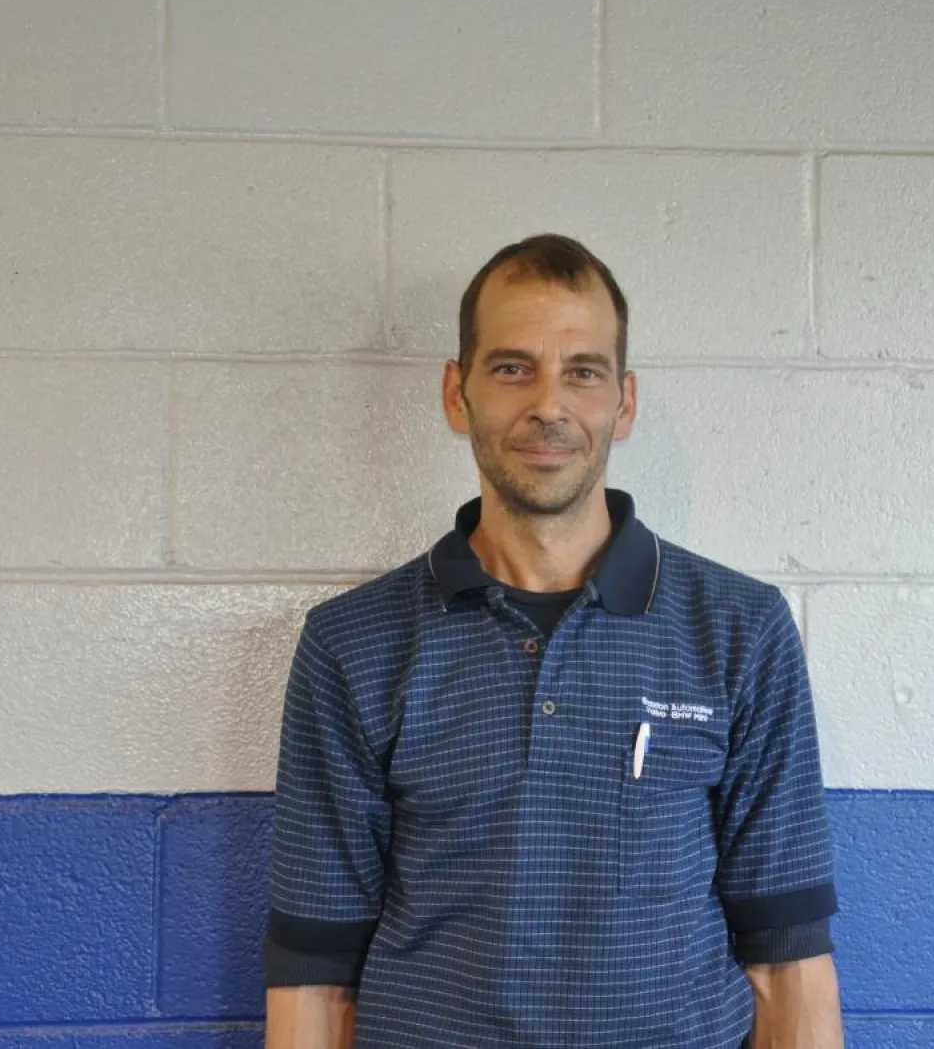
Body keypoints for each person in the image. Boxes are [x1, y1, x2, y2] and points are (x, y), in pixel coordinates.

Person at [263, 234, 843, 1048]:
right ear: (456, 394)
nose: (549, 403)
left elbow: (788, 963)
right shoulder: (353, 644)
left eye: (583, 371)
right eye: (511, 367)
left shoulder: (740, 630)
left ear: (624, 401)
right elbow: (313, 974)